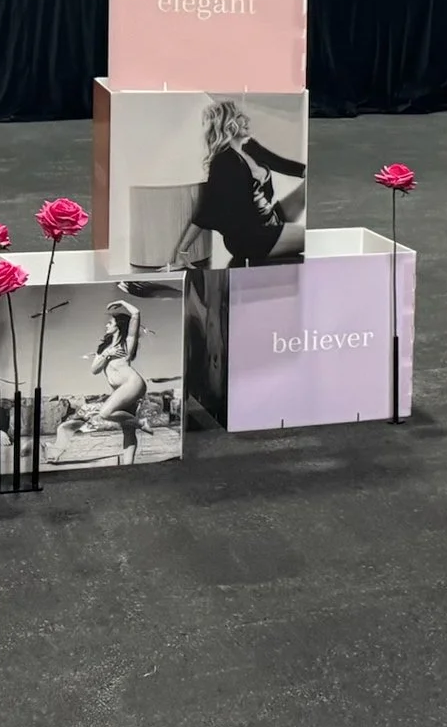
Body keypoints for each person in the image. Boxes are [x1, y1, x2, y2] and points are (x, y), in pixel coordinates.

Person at [177, 100, 305, 268]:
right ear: (227, 124)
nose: (247, 120)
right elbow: (207, 208)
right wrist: (182, 251)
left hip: (269, 219)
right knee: (309, 238)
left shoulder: (250, 148)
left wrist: (306, 171)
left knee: (307, 188)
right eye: (239, 116)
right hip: (249, 238)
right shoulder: (224, 161)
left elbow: (279, 164)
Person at [73, 301, 153, 467]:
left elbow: (136, 313)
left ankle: (141, 423)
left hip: (132, 384)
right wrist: (107, 354)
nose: (106, 325)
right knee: (128, 430)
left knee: (105, 413)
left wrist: (121, 302)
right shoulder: (104, 349)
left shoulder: (126, 343)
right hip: (120, 390)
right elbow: (94, 370)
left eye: (110, 323)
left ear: (118, 326)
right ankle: (128, 467)